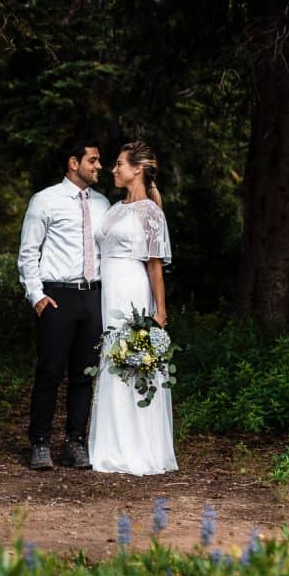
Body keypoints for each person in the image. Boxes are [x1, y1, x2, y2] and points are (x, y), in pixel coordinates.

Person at [17, 138, 109, 470]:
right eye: (93, 160)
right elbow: (28, 251)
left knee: (85, 374)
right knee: (50, 372)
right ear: (74, 163)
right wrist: (36, 296)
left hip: (93, 296)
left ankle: (75, 442)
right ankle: (40, 443)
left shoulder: (103, 204)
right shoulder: (45, 200)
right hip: (58, 296)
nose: (99, 166)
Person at [88, 141, 178, 474]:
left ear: (137, 169)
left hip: (132, 289)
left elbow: (155, 266)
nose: (114, 169)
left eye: (119, 164)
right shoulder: (114, 209)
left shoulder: (150, 212)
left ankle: (139, 448)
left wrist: (160, 312)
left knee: (133, 361)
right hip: (109, 292)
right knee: (112, 360)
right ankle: (113, 446)